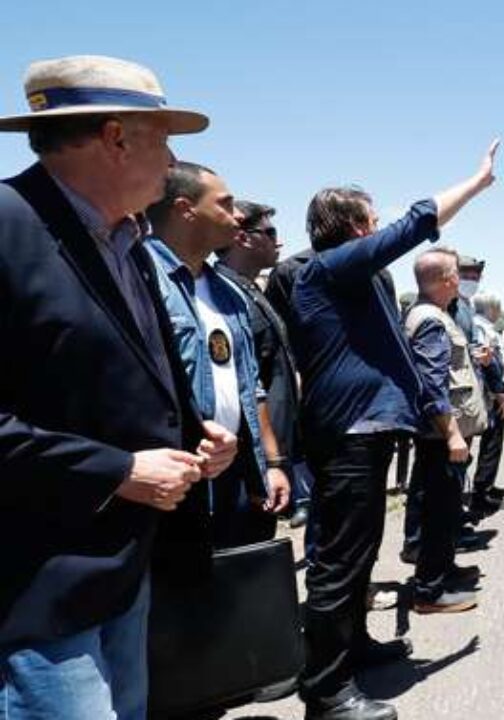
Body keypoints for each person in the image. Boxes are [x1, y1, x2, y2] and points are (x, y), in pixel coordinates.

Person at [0, 55, 236, 720]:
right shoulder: (7, 227)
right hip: (39, 590)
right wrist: (119, 470)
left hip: (124, 571)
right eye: (163, 140)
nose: (170, 163)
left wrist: (197, 438)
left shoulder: (124, 240)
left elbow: (124, 376)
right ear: (115, 138)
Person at [290, 140, 500, 720]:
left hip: (367, 430)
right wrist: (477, 182)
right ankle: (326, 692)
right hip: (350, 432)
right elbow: (417, 224)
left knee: (358, 556)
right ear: (355, 228)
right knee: (339, 561)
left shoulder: (355, 281)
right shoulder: (334, 265)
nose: (379, 229)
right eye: (372, 221)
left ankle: (353, 647)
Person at [145, 163, 291, 548]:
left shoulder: (228, 292)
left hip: (233, 477)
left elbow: (250, 386)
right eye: (225, 204)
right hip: (174, 479)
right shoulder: (140, 278)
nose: (238, 214)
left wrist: (270, 466)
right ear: (185, 209)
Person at [403, 249, 489, 614]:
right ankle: (430, 591)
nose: (459, 279)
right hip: (442, 437)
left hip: (442, 434)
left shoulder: (433, 315)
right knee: (440, 510)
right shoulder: (431, 320)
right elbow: (431, 384)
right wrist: (453, 434)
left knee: (446, 507)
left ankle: (444, 569)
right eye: (454, 273)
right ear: (442, 280)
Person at [216, 200, 309, 530]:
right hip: (247, 464)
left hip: (274, 454)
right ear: (243, 237)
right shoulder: (220, 292)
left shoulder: (248, 289)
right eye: (270, 232)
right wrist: (265, 462)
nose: (278, 241)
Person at [470, 292, 504, 514]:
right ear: (491, 309)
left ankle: (487, 487)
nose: (500, 312)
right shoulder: (483, 328)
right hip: (490, 397)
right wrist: (499, 391)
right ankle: (482, 495)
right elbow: (487, 362)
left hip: (491, 395)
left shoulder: (480, 326)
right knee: (491, 446)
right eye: (498, 308)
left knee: (491, 446)